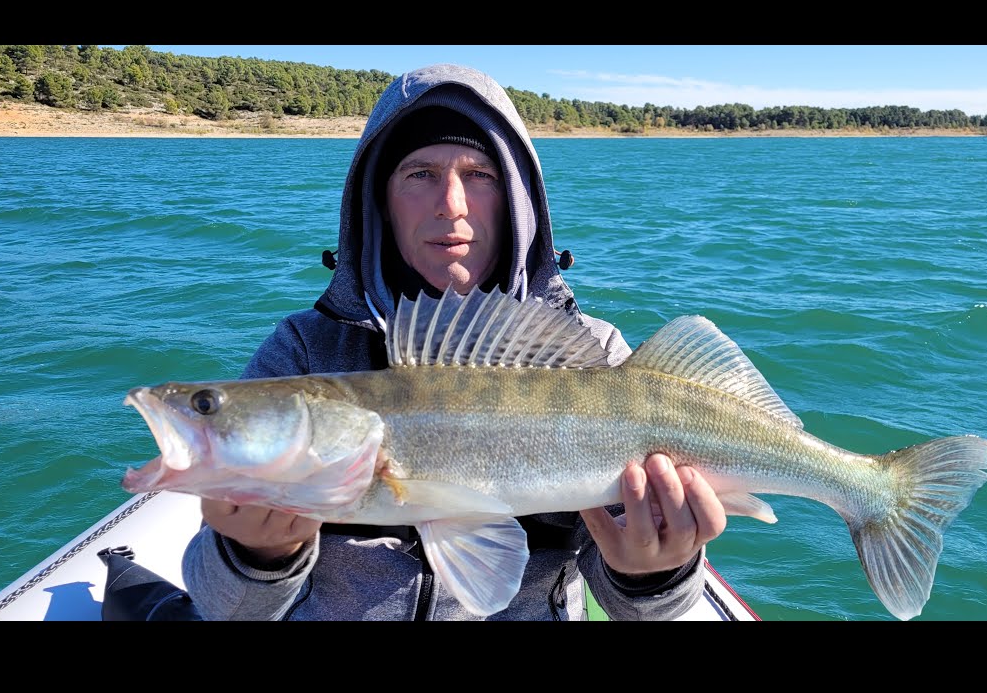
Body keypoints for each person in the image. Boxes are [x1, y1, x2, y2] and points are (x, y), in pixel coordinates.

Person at [181, 63, 727, 620]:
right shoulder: (303, 353)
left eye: (480, 174)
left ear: (518, 199)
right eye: (419, 173)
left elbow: (647, 614)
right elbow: (226, 607)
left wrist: (655, 571)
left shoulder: (597, 358)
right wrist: (258, 553)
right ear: (379, 201)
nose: (452, 204)